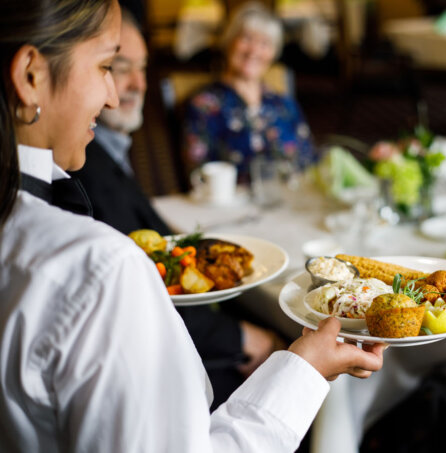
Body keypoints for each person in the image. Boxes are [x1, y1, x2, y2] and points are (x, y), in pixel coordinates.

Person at [0, 1, 385, 451]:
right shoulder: (101, 268)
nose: (110, 96)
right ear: (31, 76)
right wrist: (305, 367)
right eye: (106, 65)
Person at [68, 8, 286, 408]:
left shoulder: (110, 150)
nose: (136, 85)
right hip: (164, 369)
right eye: (116, 67)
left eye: (143, 68)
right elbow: (134, 298)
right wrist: (242, 338)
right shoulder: (86, 168)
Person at [183, 1, 316, 182]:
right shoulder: (205, 105)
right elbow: (198, 174)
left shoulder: (283, 104)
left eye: (265, 43)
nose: (254, 50)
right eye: (246, 39)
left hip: (289, 201)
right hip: (233, 206)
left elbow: (310, 160)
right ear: (230, 41)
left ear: (273, 53)